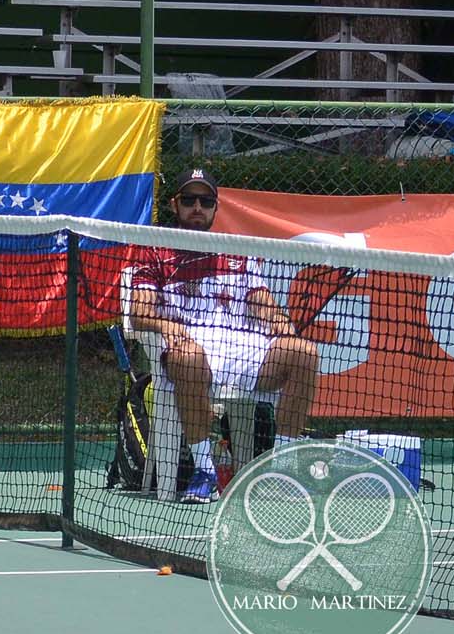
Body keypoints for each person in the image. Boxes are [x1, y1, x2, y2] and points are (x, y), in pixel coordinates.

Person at [129, 168, 319, 504]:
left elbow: (261, 301)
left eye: (206, 201)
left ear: (216, 208)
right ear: (176, 205)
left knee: (303, 352)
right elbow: (139, 312)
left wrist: (277, 319)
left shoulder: (236, 249)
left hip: (245, 350)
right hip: (190, 352)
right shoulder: (156, 251)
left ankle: (284, 469)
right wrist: (168, 327)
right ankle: (205, 472)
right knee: (187, 358)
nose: (197, 207)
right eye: (189, 200)